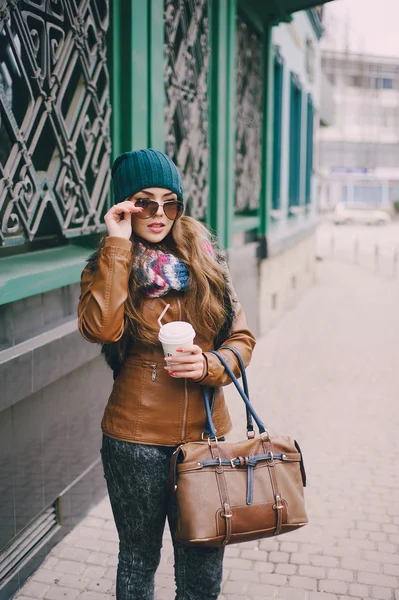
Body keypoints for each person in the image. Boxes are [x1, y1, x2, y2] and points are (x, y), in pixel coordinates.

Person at [77, 149, 256, 600]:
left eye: (169, 202)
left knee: (203, 568)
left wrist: (210, 364)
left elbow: (242, 339)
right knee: (138, 560)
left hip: (206, 437)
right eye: (144, 202)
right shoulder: (108, 266)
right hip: (135, 440)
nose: (159, 214)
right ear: (125, 205)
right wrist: (117, 244)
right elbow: (101, 329)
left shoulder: (208, 262)